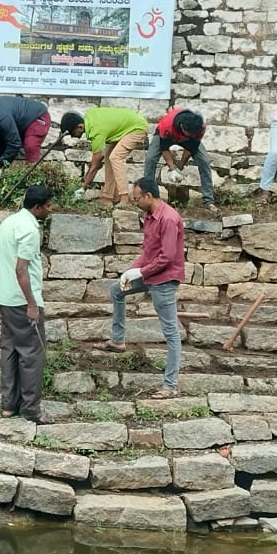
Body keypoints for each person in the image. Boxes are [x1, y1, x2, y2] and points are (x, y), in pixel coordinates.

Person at [101, 179, 185, 399]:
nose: (134, 201)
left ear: (148, 196)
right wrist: (131, 271)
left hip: (164, 280)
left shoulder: (168, 218)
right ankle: (118, 340)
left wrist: (140, 273)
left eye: (136, 198)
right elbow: (149, 253)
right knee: (116, 290)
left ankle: (170, 385)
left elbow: (166, 257)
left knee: (171, 333)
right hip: (150, 272)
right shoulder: (149, 216)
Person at [0, 185, 56, 423]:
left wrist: (3, 281)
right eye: (48, 206)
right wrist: (31, 304)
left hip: (5, 298)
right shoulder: (30, 230)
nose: (50, 209)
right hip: (22, 300)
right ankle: (31, 408)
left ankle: (9, 406)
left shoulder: (9, 222)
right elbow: (22, 268)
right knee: (32, 353)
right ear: (37, 207)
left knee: (10, 350)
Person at [61, 108, 150, 207]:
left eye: (73, 133)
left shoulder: (96, 132)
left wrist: (83, 188)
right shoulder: (90, 118)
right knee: (109, 157)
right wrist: (94, 165)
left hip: (137, 128)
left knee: (116, 157)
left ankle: (124, 199)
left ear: (80, 127)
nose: (73, 137)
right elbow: (96, 163)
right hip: (127, 128)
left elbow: (94, 167)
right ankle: (107, 198)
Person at [143, 107, 217, 211]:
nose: (192, 135)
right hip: (167, 134)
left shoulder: (200, 127)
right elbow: (164, 148)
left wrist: (180, 166)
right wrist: (172, 168)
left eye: (194, 134)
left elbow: (192, 147)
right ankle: (148, 198)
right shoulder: (167, 124)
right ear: (183, 127)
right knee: (150, 159)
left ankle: (208, 201)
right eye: (190, 133)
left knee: (204, 161)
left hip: (186, 139)